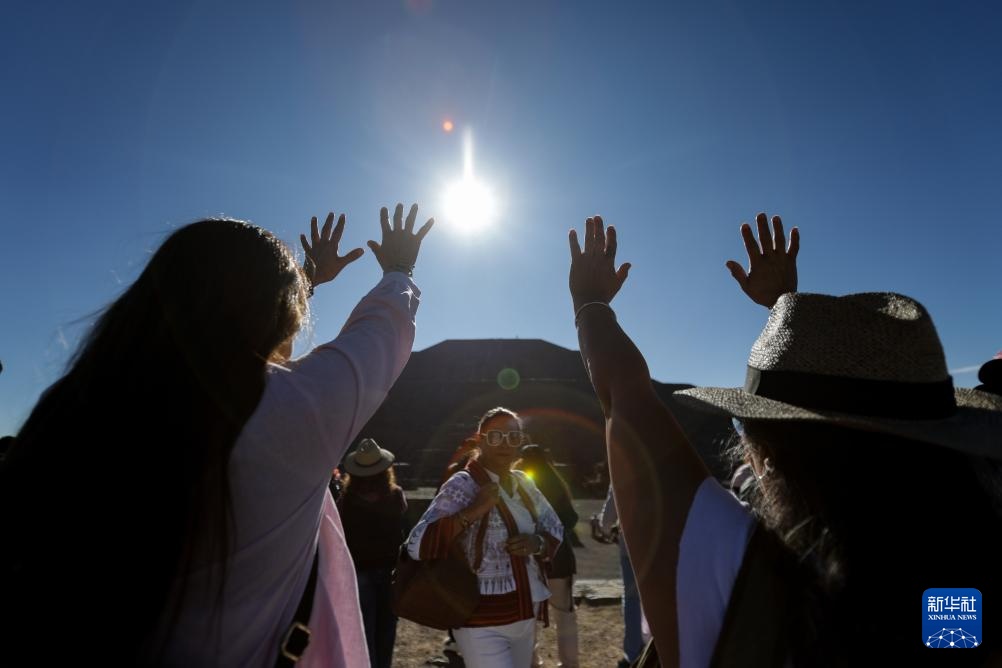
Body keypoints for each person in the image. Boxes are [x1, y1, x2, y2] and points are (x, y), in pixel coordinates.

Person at [0, 203, 433, 666]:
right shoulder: (293, 410)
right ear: (278, 313)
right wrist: (398, 270)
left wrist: (303, 279)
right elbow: (381, 332)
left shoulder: (76, 406)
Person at [568, 212, 1002, 665]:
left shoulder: (734, 562)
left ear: (769, 452)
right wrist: (790, 312)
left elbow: (623, 391)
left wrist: (589, 302)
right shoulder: (967, 578)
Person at [406, 407, 566, 668]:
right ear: (480, 440)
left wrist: (535, 543)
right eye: (495, 436)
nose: (505, 444)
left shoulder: (524, 483)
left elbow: (555, 528)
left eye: (513, 437)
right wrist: (472, 511)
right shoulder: (463, 485)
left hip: (526, 610)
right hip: (479, 617)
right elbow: (417, 544)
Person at [338, 438, 407, 668]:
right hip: (390, 570)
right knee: (387, 630)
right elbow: (403, 529)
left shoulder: (347, 500)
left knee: (365, 630)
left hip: (359, 571)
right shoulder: (395, 495)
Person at [517, 444, 580, 668]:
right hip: (559, 560)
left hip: (528, 560)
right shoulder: (556, 484)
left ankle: (532, 662)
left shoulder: (519, 484)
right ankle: (569, 662)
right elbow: (571, 518)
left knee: (528, 617)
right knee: (564, 615)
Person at [591, 484, 645, 668]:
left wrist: (605, 528)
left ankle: (633, 652)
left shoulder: (623, 470)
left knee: (632, 599)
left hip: (630, 543)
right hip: (661, 542)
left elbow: (608, 517)